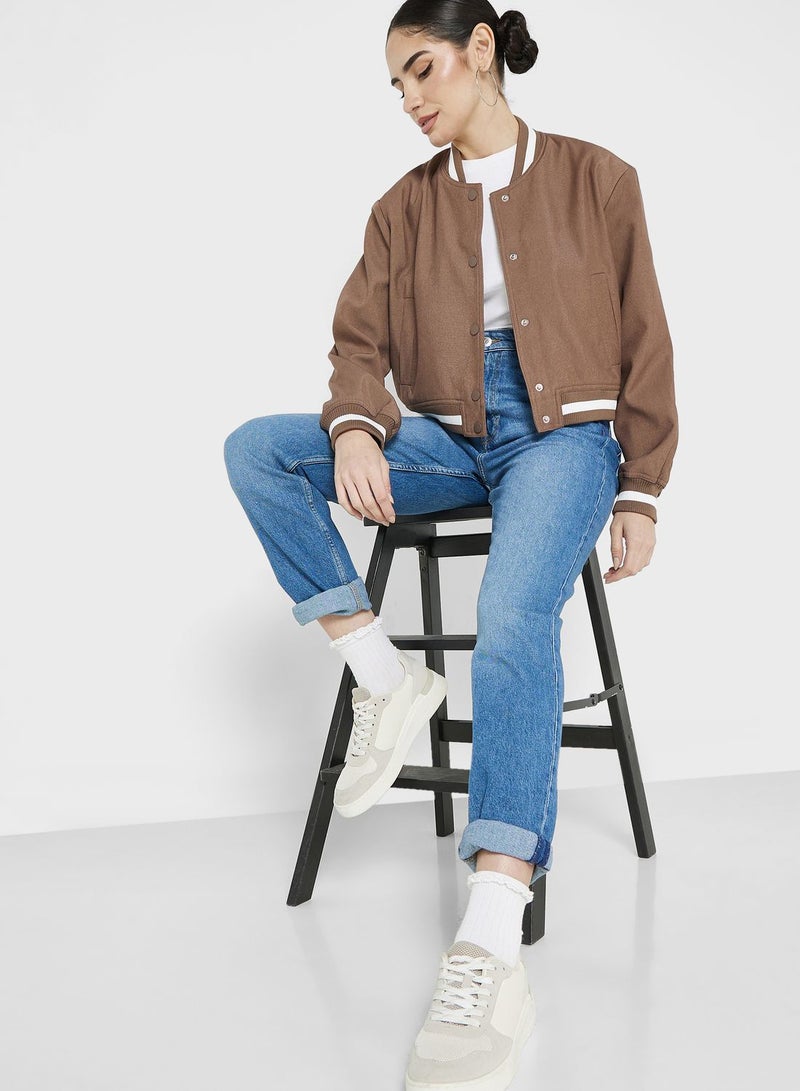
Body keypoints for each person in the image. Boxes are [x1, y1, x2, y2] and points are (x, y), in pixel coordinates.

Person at [224, 2, 678, 1087]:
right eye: (395, 84)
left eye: (420, 69)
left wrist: (643, 486)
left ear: (479, 50)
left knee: (513, 612)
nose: (408, 98)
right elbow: (357, 341)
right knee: (257, 450)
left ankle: (489, 934)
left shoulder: (597, 178)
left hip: (565, 436)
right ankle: (385, 680)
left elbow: (644, 334)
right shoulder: (400, 209)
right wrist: (352, 425)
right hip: (445, 435)